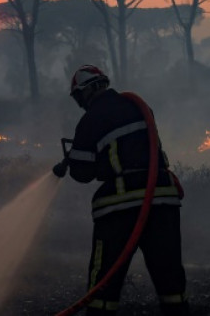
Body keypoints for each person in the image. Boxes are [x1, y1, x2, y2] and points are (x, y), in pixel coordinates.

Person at [55, 64, 188, 315]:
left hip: (119, 207)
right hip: (162, 199)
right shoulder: (138, 107)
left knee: (104, 281)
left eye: (79, 96)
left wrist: (77, 159)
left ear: (90, 90)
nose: (80, 103)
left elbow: (82, 173)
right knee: (169, 275)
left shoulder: (91, 119)